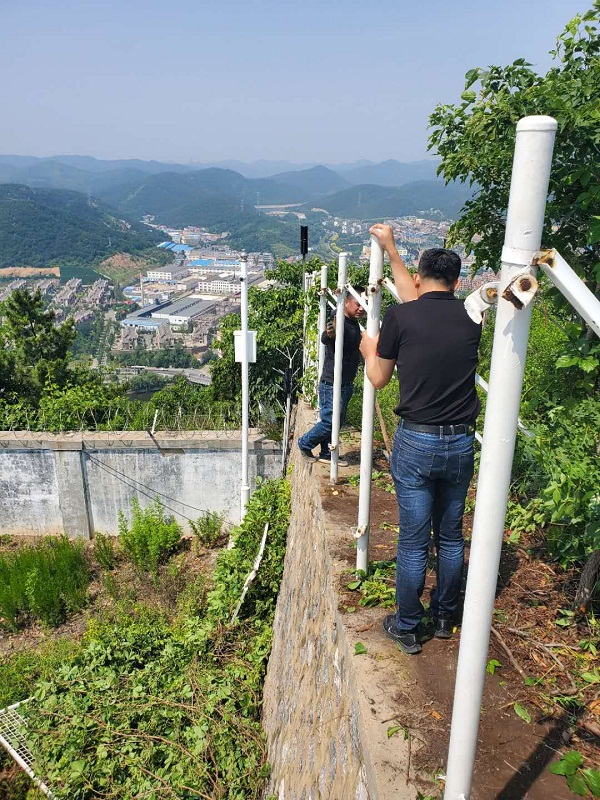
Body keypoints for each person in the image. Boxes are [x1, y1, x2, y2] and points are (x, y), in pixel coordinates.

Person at [360, 224, 481, 655]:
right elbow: (422, 308)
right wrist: (391, 249)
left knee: (413, 540)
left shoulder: (401, 318)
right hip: (461, 442)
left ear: (419, 276)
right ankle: (446, 615)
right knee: (450, 536)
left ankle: (409, 624)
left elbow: (378, 378)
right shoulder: (471, 317)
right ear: (458, 282)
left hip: (416, 442)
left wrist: (368, 349)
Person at [298, 288, 365, 464]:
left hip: (344, 381)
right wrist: (330, 334)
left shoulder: (353, 323)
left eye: (365, 304)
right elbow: (327, 336)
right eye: (358, 303)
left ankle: (327, 453)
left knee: (337, 421)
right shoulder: (339, 320)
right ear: (347, 302)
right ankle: (305, 443)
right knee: (330, 422)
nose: (362, 308)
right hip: (332, 382)